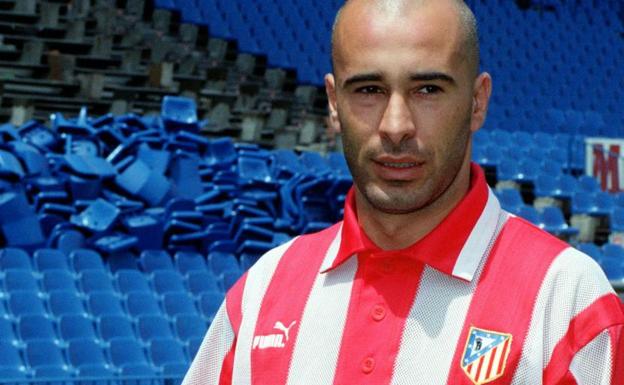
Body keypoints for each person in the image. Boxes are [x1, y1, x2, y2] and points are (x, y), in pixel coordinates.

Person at [182, 1, 624, 384]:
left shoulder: (569, 302)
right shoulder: (262, 290)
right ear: (334, 104)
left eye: (428, 89)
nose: (396, 126)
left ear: (477, 101)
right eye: (369, 90)